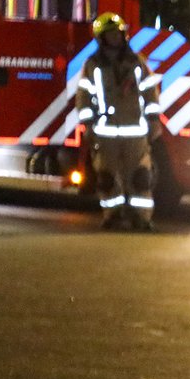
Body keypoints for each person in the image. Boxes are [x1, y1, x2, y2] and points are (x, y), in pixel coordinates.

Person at [75, 13, 163, 230]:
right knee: (106, 178)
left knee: (141, 177)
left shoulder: (136, 62)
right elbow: (84, 96)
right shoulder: (92, 65)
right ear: (102, 38)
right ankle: (112, 215)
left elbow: (150, 91)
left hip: (135, 132)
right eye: (111, 35)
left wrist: (153, 120)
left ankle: (141, 218)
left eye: (118, 34)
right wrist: (87, 125)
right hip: (105, 133)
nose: (115, 38)